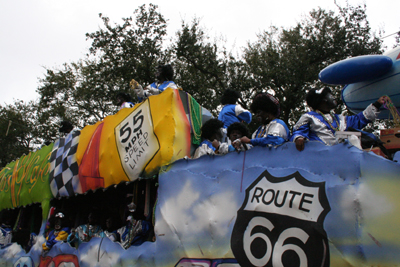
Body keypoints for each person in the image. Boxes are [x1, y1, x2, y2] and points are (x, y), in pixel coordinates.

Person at [291, 87, 386, 151]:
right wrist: (299, 138)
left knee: (357, 136)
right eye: (330, 96)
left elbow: (359, 119)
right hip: (321, 156)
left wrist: (377, 104)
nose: (334, 98)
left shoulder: (340, 119)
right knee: (351, 136)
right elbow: (299, 131)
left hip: (343, 156)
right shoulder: (308, 117)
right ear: (323, 100)